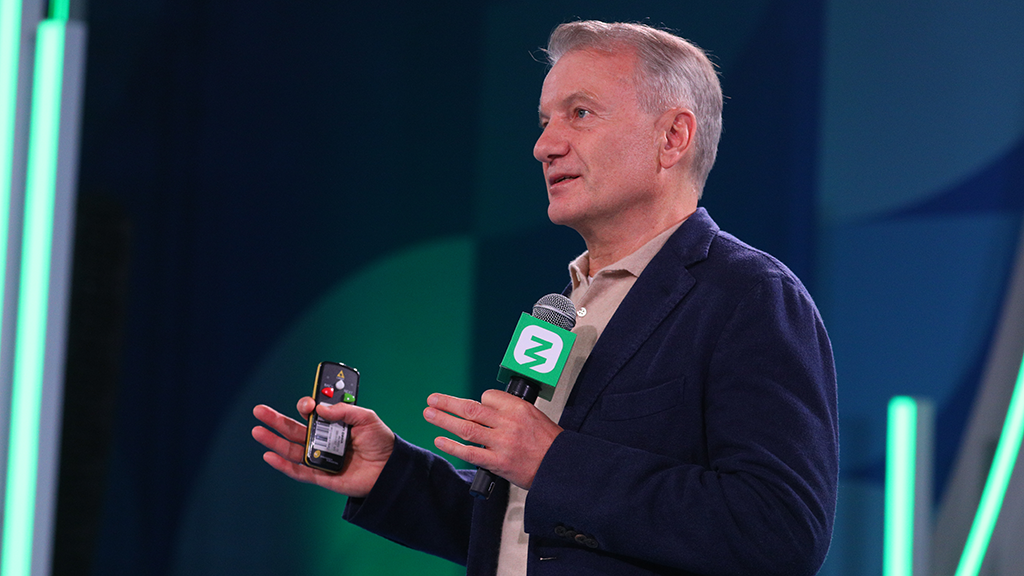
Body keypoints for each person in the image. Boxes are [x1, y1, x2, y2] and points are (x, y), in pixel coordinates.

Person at [252, 20, 838, 576]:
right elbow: (538, 531)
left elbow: (780, 530)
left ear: (672, 137)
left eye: (580, 113)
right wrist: (392, 476)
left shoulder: (748, 296)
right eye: (544, 121)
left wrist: (553, 459)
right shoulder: (563, 307)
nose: (544, 146)